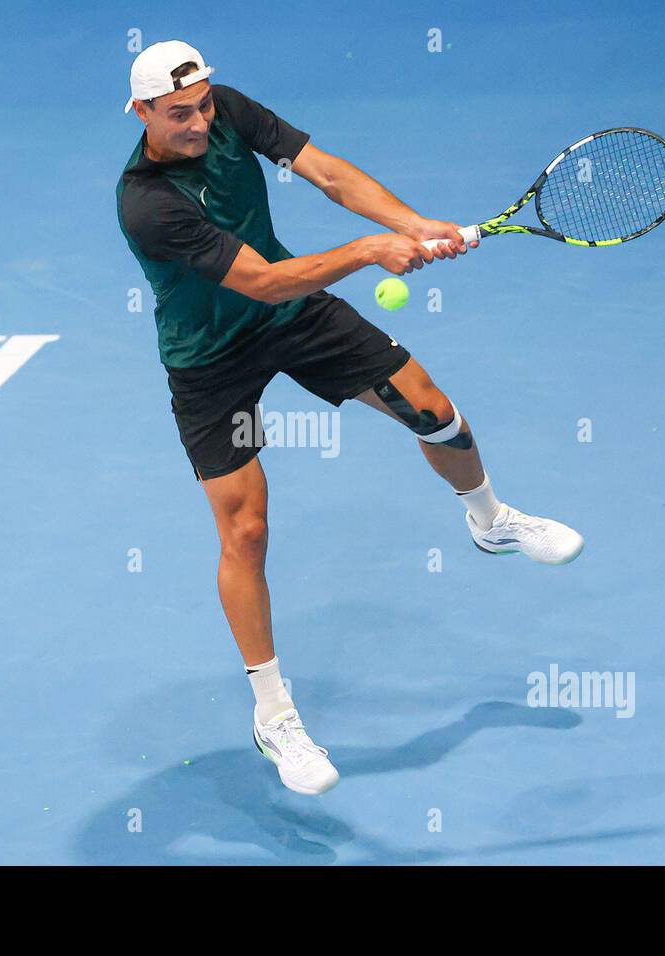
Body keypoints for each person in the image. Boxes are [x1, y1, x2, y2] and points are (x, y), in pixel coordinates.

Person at [116, 40, 583, 796]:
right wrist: (372, 249)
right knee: (247, 529)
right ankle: (274, 714)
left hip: (292, 317)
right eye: (179, 114)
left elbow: (326, 173)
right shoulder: (146, 203)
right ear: (140, 113)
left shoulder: (228, 109)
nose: (200, 121)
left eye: (203, 104)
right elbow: (262, 280)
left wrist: (412, 221)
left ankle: (491, 519)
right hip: (211, 359)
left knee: (431, 408)